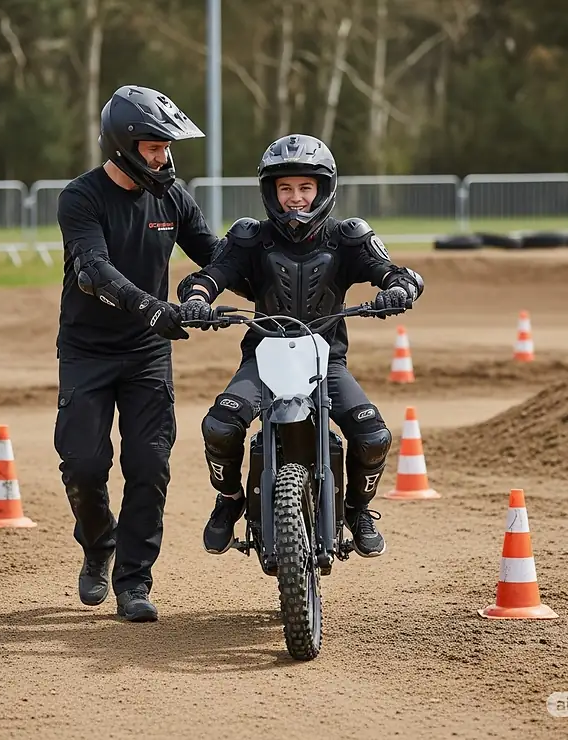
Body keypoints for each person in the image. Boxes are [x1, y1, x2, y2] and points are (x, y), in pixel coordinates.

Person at [176, 133, 424, 559]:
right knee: (219, 425)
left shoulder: (348, 237)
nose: (295, 199)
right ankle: (230, 499)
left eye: (305, 187)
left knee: (374, 434)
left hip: (326, 360)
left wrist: (398, 289)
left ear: (322, 189)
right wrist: (198, 299)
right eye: (285, 188)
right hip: (264, 357)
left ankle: (358, 510)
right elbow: (211, 274)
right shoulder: (250, 238)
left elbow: (394, 272)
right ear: (270, 191)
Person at [54, 84, 222, 622]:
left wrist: (268, 281)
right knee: (83, 464)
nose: (164, 156)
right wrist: (152, 307)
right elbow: (93, 270)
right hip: (87, 350)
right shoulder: (80, 198)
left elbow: (217, 256)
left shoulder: (172, 198)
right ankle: (98, 543)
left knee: (149, 465)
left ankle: (134, 583)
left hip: (148, 354)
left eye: (168, 147)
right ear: (125, 144)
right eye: (155, 146)